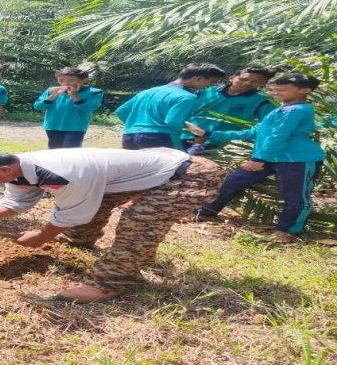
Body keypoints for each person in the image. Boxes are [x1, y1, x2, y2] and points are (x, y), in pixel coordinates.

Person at [0, 147, 223, 302]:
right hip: (147, 171)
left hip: (186, 176)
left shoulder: (61, 173)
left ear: (2, 169)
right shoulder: (17, 170)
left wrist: (42, 236)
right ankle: (78, 241)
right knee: (96, 201)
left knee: (138, 223)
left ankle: (110, 282)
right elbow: (15, 203)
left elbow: (72, 214)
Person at [183, 74, 325, 243]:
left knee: (295, 196)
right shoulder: (280, 110)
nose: (275, 93)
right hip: (269, 157)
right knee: (232, 181)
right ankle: (206, 212)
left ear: (305, 90)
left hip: (296, 159)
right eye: (273, 90)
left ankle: (287, 231)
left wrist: (258, 159)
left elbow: (277, 136)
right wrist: (209, 133)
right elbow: (253, 131)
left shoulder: (297, 110)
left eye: (281, 90)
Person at [115, 62, 226, 150]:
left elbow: (121, 111)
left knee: (136, 170)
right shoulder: (187, 97)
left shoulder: (148, 92)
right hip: (160, 138)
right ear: (198, 78)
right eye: (211, 82)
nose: (210, 86)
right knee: (175, 169)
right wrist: (194, 130)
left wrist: (137, 127)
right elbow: (173, 121)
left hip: (129, 136)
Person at [182, 66, 278, 154]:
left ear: (263, 83)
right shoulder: (206, 91)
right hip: (182, 135)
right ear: (232, 78)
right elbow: (183, 112)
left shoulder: (263, 101)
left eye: (256, 81)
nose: (248, 83)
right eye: (243, 79)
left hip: (214, 144)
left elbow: (266, 128)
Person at [34, 67, 102, 149]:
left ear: (84, 80)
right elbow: (38, 106)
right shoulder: (52, 90)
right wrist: (52, 97)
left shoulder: (94, 92)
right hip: (53, 126)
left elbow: (88, 108)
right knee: (54, 151)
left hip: (75, 127)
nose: (65, 83)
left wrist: (74, 95)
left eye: (71, 81)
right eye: (61, 80)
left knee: (70, 152)